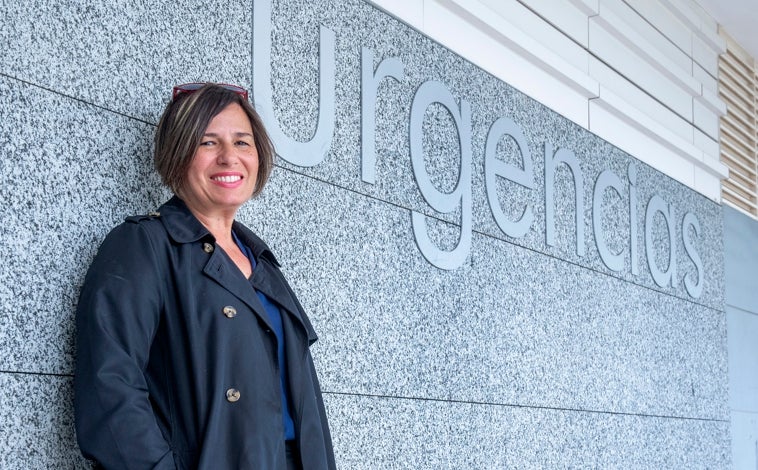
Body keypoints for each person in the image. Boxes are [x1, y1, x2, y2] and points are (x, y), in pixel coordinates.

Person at [74, 83, 336, 469]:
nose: (230, 157)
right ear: (178, 154)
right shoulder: (145, 245)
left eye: (242, 143)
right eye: (208, 143)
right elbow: (108, 387)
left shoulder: (262, 261)